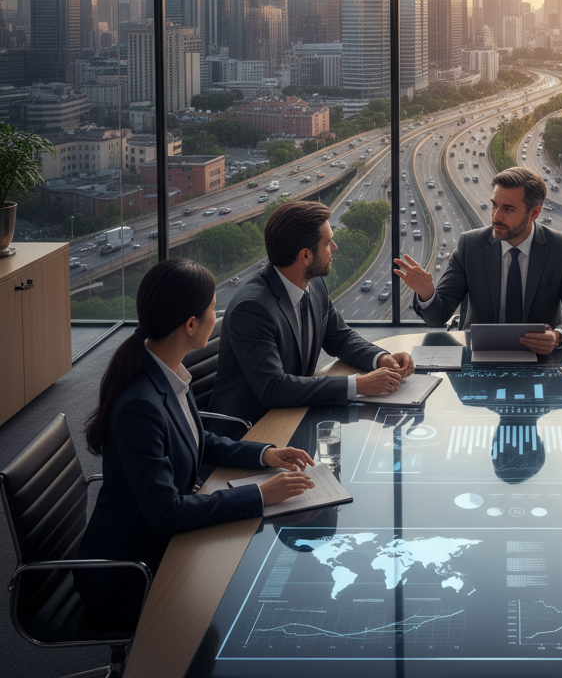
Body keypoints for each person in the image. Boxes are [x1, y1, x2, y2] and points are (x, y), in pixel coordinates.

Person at [77, 259, 316, 627]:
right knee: (247, 599)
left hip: (163, 544)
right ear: (191, 324)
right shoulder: (140, 404)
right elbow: (166, 514)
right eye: (212, 308)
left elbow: (196, 437)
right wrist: (260, 496)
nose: (216, 314)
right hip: (130, 573)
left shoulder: (166, 371)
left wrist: (265, 454)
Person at [211, 201, 414, 423]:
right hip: (250, 430)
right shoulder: (252, 308)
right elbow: (274, 388)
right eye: (328, 242)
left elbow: (339, 337)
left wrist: (381, 358)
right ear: (305, 256)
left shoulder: (314, 284)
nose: (335, 247)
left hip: (293, 414)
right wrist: (359, 384)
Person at [393, 166, 562, 353]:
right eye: (494, 205)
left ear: (534, 213)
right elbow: (438, 317)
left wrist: (558, 336)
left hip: (541, 356)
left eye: (508, 209)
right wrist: (427, 293)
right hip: (480, 354)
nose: (496, 217)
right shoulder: (470, 246)